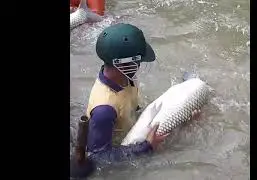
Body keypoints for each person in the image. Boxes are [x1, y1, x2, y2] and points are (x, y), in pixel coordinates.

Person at [70, 23, 200, 178]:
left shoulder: (125, 78)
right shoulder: (104, 109)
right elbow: (99, 156)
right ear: (122, 64)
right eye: (137, 62)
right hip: (117, 147)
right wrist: (147, 147)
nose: (139, 66)